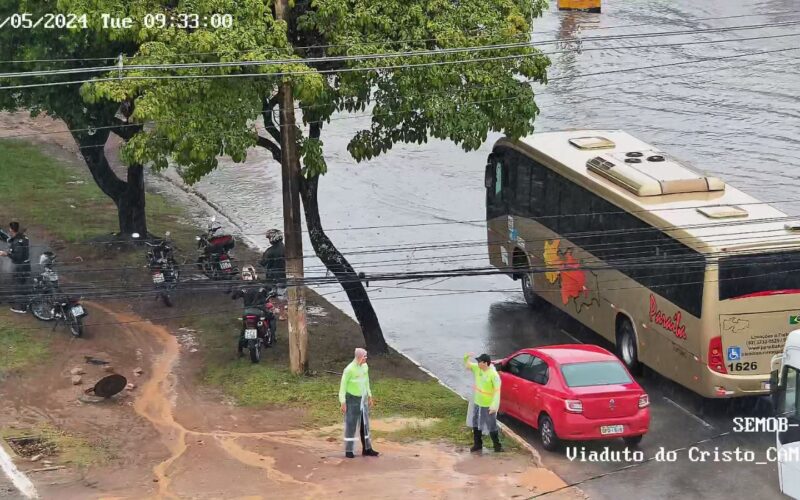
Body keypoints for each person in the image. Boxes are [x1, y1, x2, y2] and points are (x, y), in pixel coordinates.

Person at [339, 348, 379, 458]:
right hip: (352, 399)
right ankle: (349, 450)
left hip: (363, 399)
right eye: (364, 357)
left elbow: (366, 382)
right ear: (359, 357)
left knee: (365, 424)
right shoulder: (349, 370)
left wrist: (369, 395)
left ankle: (367, 448)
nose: (366, 358)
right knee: (351, 424)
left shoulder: (365, 367)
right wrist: (343, 402)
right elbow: (343, 387)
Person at [464, 352, 503, 453]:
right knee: (476, 423)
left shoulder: (493, 375)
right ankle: (477, 444)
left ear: (485, 363)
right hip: (477, 403)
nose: (477, 363)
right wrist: (466, 357)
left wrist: (494, 406)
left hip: (488, 405)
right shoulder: (478, 368)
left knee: (491, 425)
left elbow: (497, 392)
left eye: (479, 362)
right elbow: (468, 365)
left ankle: (497, 446)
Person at [231, 266, 276, 350]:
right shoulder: (262, 286)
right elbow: (271, 290)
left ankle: (240, 350)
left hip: (247, 312)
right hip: (260, 311)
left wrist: (235, 290)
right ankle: (271, 339)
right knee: (272, 318)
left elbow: (233, 296)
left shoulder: (242, 288)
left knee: (244, 328)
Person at [0, 222, 31, 313]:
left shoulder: (17, 242)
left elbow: (18, 256)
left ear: (11, 229)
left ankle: (21, 308)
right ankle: (26, 303)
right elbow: (10, 239)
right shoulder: (24, 238)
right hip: (26, 265)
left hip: (20, 267)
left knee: (19, 286)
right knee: (23, 285)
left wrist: (6, 254)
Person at [259, 229, 286, 294]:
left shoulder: (269, 251)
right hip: (285, 279)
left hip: (273, 280)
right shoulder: (286, 248)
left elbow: (262, 263)